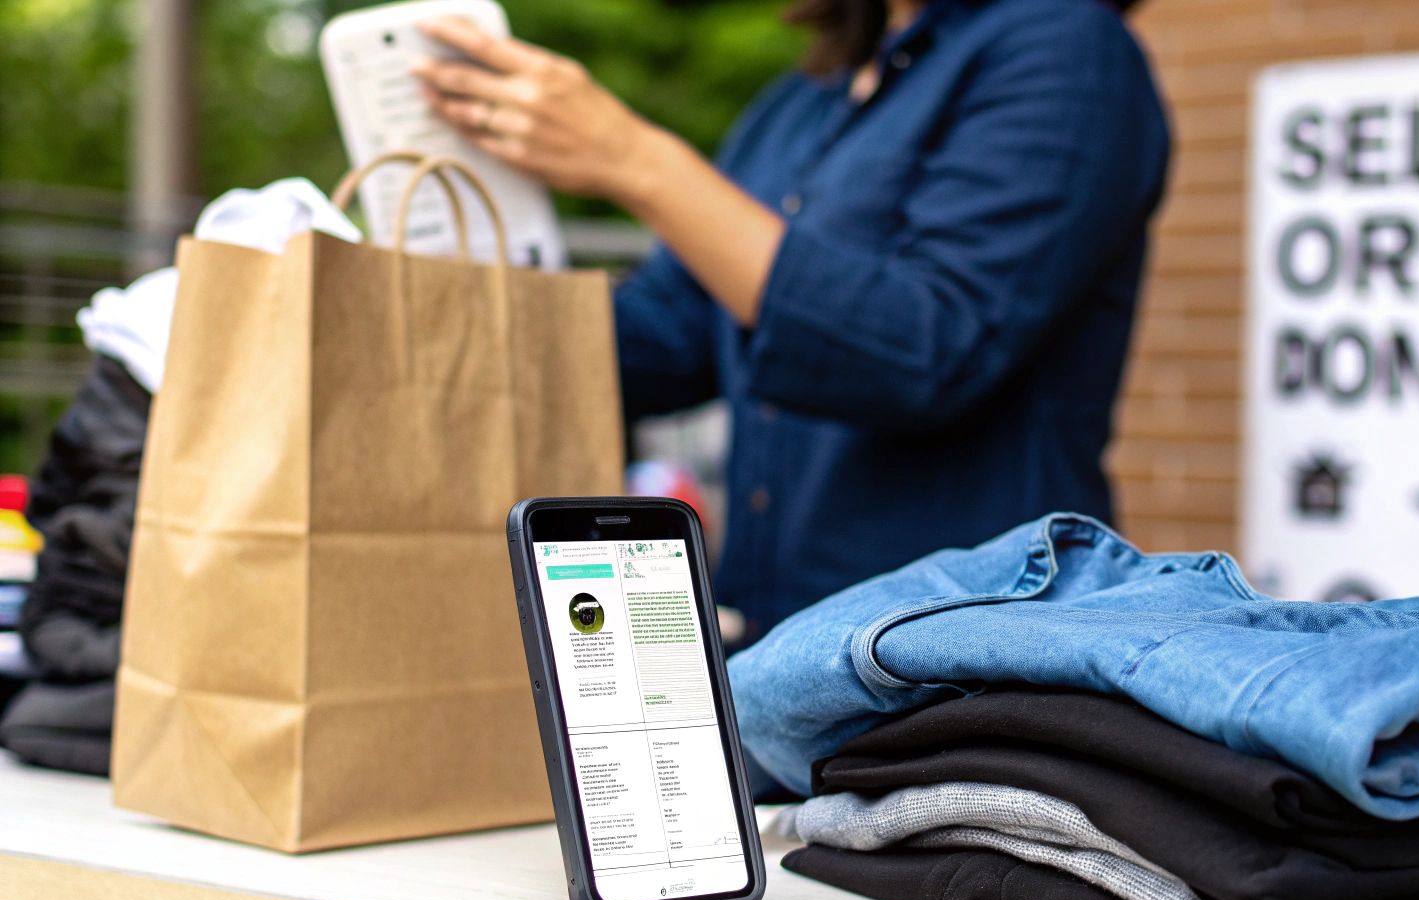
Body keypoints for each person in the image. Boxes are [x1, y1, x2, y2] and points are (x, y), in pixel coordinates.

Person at [414, 0, 1171, 639]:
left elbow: (924, 346)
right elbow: (671, 335)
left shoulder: (1069, 49)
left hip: (970, 660)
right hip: (785, 651)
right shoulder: (796, 106)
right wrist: (429, 309)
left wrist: (632, 159)